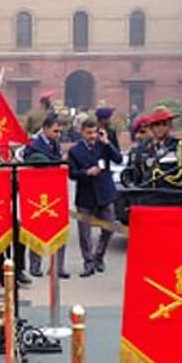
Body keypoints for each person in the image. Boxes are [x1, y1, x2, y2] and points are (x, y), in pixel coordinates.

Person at [67, 117, 123, 277]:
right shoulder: (75, 151)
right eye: (88, 133)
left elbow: (118, 159)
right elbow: (71, 173)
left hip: (105, 193)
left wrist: (107, 142)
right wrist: (86, 173)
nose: (92, 136)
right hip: (86, 195)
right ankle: (88, 263)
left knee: (109, 227)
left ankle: (99, 256)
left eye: (94, 132)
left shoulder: (103, 145)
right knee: (84, 234)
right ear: (82, 132)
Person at [25, 113, 70, 279]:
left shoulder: (55, 144)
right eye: (55, 131)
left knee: (60, 228)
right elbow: (29, 162)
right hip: (38, 193)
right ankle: (35, 265)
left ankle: (58, 266)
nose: (58, 135)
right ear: (45, 129)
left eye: (59, 132)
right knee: (36, 228)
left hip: (56, 191)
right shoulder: (33, 145)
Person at [138, 106, 182, 189]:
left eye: (164, 124)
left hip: (172, 198)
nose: (160, 128)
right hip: (148, 198)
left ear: (170, 125)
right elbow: (137, 178)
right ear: (151, 127)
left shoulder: (180, 146)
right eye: (157, 124)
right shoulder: (143, 149)